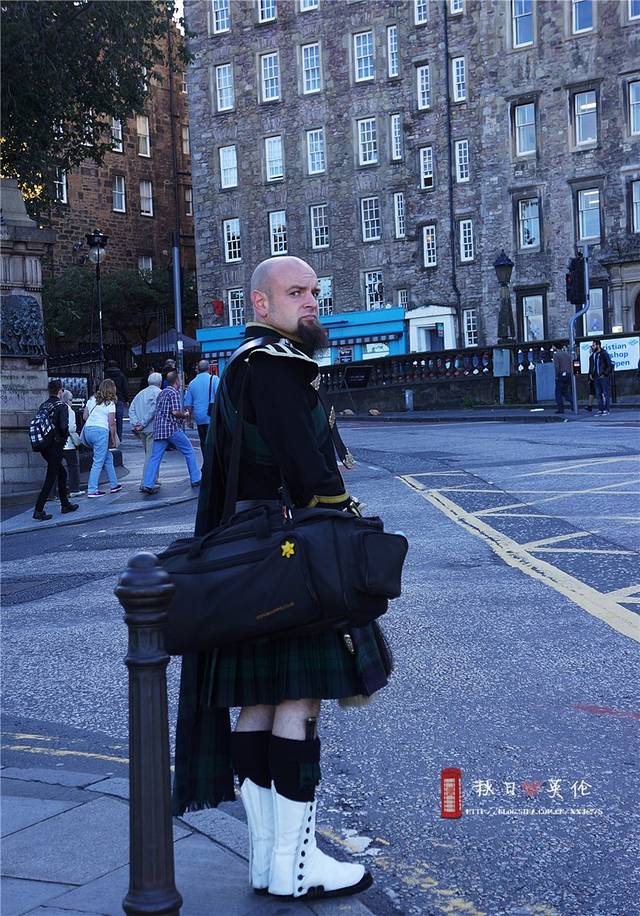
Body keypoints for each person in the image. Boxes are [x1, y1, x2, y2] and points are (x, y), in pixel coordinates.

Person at [173, 256, 391, 900]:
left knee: (258, 704)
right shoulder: (279, 366)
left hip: (248, 553)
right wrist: (346, 523)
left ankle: (269, 863)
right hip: (292, 556)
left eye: (314, 292)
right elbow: (310, 472)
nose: (311, 303)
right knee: (299, 700)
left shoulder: (242, 365)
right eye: (296, 293)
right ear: (261, 305)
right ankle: (299, 868)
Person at [141, 370, 201, 493]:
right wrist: (185, 414)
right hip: (171, 428)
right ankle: (195, 478)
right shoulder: (173, 393)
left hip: (159, 429)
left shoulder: (162, 393)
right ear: (177, 381)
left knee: (155, 457)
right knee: (189, 451)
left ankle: (148, 483)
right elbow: (175, 412)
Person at [33, 379, 79, 521]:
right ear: (60, 391)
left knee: (62, 473)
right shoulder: (61, 406)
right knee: (51, 477)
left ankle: (65, 504)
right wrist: (63, 438)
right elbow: (64, 427)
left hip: (44, 446)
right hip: (56, 446)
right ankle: (38, 509)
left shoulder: (44, 405)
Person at [83, 379, 124, 498]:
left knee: (108, 457)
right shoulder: (110, 404)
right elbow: (111, 423)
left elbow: (85, 416)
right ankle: (92, 490)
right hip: (100, 432)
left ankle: (114, 484)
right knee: (98, 461)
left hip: (88, 431)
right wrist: (113, 438)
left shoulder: (92, 399)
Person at [128, 372, 162, 492]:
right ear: (160, 382)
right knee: (151, 456)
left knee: (149, 454)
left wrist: (136, 423)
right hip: (152, 428)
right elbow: (153, 410)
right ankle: (146, 482)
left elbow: (131, 409)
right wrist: (142, 423)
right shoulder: (159, 393)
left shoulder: (140, 393)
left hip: (141, 430)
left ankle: (154, 478)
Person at [184, 359, 219, 453]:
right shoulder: (214, 379)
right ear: (209, 368)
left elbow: (189, 405)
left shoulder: (192, 383)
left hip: (199, 417)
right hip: (212, 416)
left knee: (203, 441)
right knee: (214, 442)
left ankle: (206, 459)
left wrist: (189, 420)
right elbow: (219, 396)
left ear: (198, 369)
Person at [61, 389, 84, 496]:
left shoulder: (56, 409)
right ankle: (74, 489)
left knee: (55, 468)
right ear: (66, 400)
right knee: (73, 466)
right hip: (68, 443)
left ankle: (53, 493)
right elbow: (71, 428)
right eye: (71, 400)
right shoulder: (70, 411)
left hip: (58, 444)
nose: (71, 402)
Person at [104, 360, 130, 441]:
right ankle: (119, 437)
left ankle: (109, 437)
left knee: (107, 418)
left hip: (108, 398)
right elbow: (125, 388)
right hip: (119, 398)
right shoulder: (121, 375)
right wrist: (127, 399)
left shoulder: (105, 375)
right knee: (119, 419)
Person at [588, 338, 613, 415]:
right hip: (595, 377)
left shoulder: (603, 353)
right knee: (598, 394)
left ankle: (606, 409)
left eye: (594, 345)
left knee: (605, 393)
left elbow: (609, 365)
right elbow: (592, 366)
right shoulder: (593, 355)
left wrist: (605, 374)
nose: (592, 347)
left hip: (603, 376)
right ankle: (600, 409)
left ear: (598, 345)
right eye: (592, 345)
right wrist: (590, 374)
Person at [552, 344, 573, 414]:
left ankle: (561, 409)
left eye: (553, 346)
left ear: (555, 347)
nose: (552, 348)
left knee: (558, 392)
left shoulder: (556, 355)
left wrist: (556, 376)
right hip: (568, 374)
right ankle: (573, 402)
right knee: (565, 391)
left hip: (561, 375)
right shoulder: (567, 354)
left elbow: (557, 367)